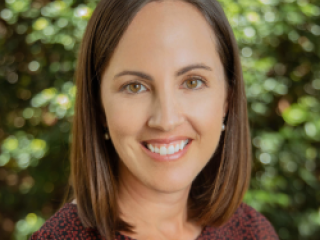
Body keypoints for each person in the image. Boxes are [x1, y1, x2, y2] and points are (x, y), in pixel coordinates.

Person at [30, 0, 279, 239]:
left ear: (228, 98)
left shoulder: (253, 231)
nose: (166, 120)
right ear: (98, 107)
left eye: (193, 82)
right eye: (135, 86)